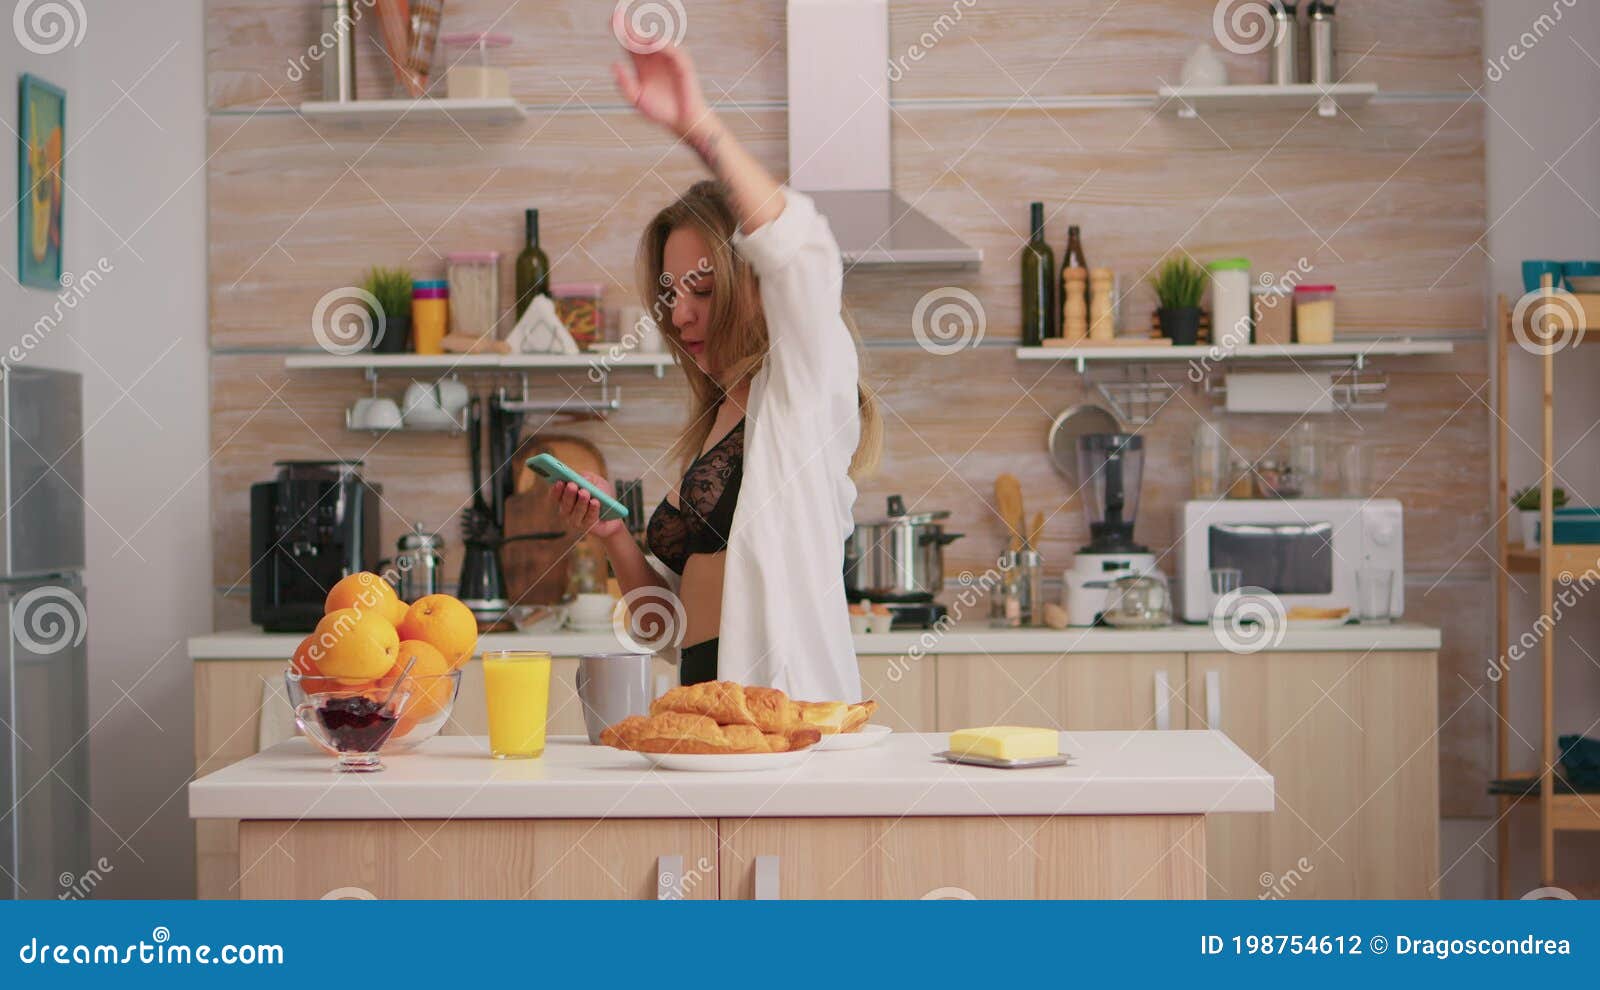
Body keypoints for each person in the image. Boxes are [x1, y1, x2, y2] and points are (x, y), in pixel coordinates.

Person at [552, 15, 880, 700]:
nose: (680, 312)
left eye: (702, 288)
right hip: (704, 710)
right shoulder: (717, 420)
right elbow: (664, 630)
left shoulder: (803, 384)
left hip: (787, 720)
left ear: (755, 285)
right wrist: (614, 538)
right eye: (670, 293)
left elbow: (804, 252)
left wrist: (699, 126)